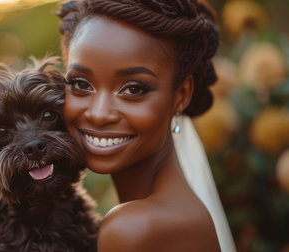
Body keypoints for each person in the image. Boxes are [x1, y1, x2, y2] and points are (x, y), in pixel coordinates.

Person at [56, 0, 236, 251]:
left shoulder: (134, 229)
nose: (99, 114)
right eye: (80, 84)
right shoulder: (177, 213)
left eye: (133, 89)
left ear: (181, 95)